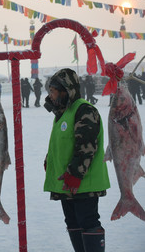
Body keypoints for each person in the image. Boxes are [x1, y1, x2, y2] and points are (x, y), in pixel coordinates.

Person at [43, 69, 109, 252]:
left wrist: (75, 173)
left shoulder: (84, 109)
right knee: (72, 222)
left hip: (83, 182)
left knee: (87, 222)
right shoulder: (62, 113)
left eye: (53, 91)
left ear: (66, 90)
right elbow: (63, 143)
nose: (51, 95)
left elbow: (87, 145)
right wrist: (51, 160)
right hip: (68, 182)